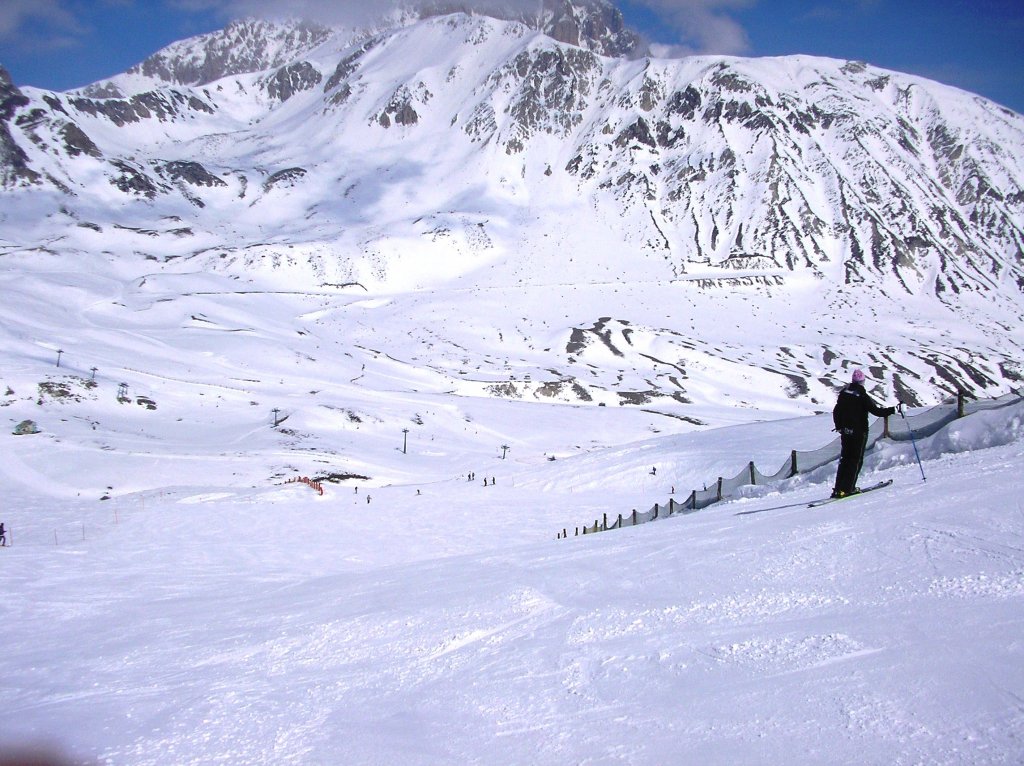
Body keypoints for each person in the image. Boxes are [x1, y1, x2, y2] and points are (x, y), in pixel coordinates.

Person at [831, 369, 897, 498]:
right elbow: (876, 411)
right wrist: (893, 409)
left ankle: (838, 489)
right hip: (859, 432)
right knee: (855, 460)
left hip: (845, 431)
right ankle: (848, 489)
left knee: (845, 459)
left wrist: (839, 426)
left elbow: (836, 411)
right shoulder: (861, 395)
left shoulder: (844, 393)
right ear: (862, 382)